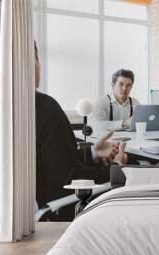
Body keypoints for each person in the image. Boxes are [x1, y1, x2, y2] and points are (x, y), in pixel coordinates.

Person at [35, 42, 127, 219]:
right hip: (58, 208)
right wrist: (117, 167)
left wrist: (92, 152)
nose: (125, 89)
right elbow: (72, 178)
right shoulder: (44, 107)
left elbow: (52, 160)